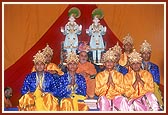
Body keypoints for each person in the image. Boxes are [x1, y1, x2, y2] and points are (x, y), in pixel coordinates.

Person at [140, 40, 163, 109]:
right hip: (139, 87)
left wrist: (148, 73)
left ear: (150, 54)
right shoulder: (137, 66)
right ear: (141, 54)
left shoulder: (155, 67)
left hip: (152, 88)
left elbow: (157, 81)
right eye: (144, 53)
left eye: (148, 53)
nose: (146, 55)